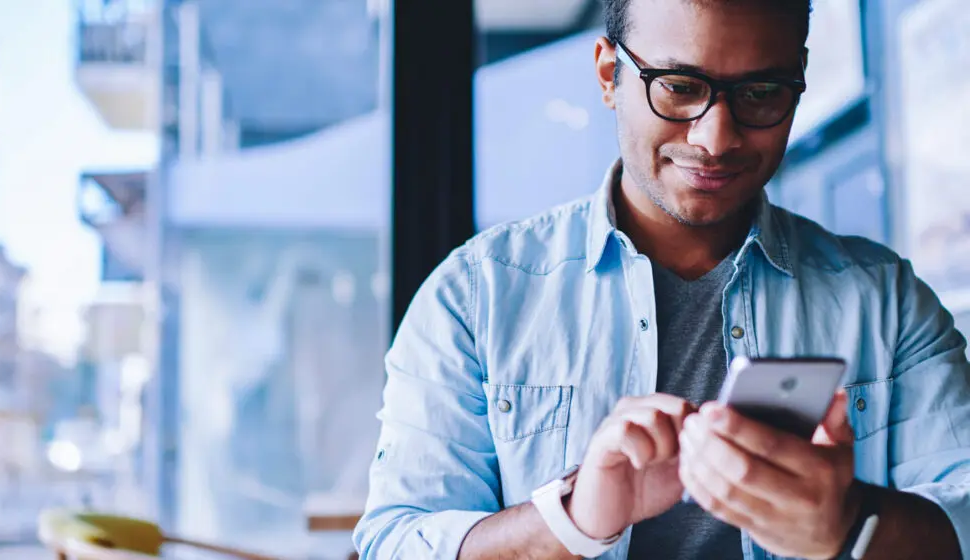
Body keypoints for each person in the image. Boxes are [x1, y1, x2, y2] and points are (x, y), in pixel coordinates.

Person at [353, 0, 970, 558]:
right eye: (677, 86)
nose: (716, 137)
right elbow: (396, 542)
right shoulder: (474, 296)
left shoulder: (886, 302)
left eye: (760, 93)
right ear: (607, 75)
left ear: (798, 84)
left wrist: (853, 524)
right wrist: (574, 520)